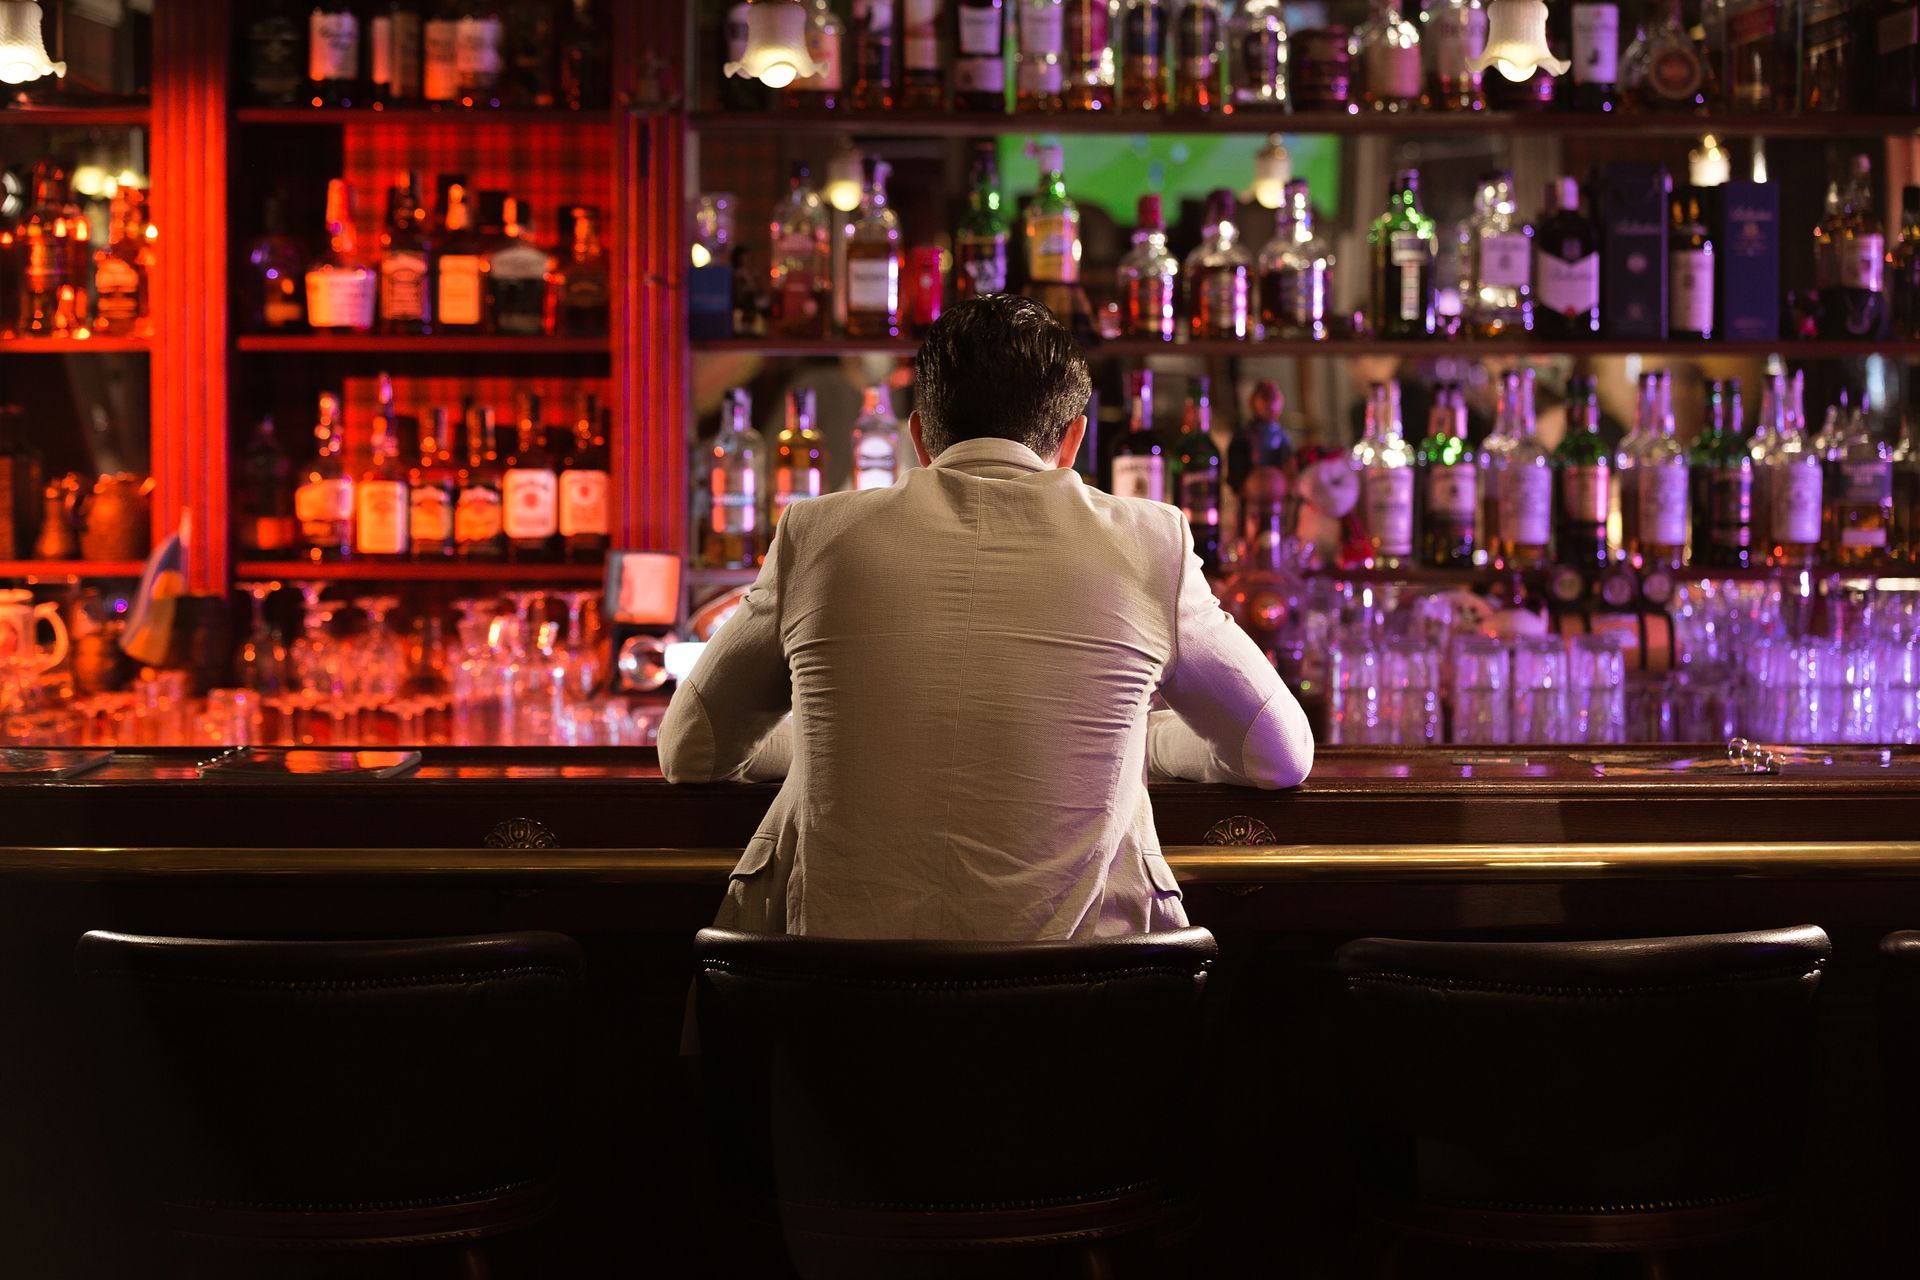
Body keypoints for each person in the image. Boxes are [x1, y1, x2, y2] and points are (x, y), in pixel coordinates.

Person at [659, 295, 1312, 940]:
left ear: (918, 435)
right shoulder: (1150, 542)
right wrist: (1144, 742)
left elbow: (691, 749)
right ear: (1075, 439)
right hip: (1088, 1019)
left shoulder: (817, 534)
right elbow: (1279, 753)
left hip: (848, 1023)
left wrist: (827, 742)